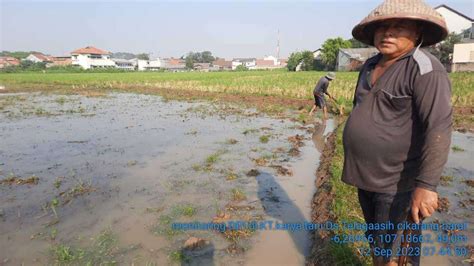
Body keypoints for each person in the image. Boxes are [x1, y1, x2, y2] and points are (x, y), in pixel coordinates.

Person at [342, 0, 452, 265]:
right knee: (378, 244)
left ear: (416, 34)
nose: (387, 33)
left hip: (397, 183)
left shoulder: (425, 68)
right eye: (383, 27)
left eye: (398, 27)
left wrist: (426, 187)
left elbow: (438, 126)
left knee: (397, 255)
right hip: (366, 178)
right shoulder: (370, 66)